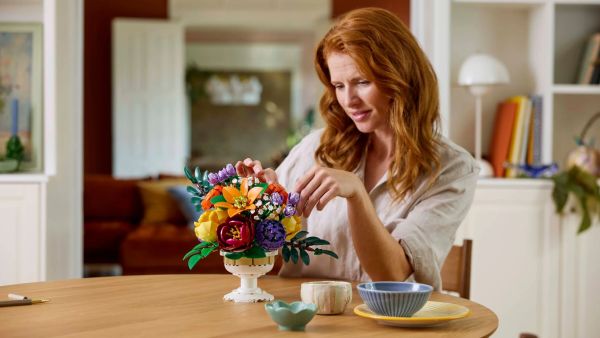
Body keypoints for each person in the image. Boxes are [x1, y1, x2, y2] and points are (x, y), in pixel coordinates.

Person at [235, 7, 478, 290]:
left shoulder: (452, 168)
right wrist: (264, 201)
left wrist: (357, 195)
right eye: (338, 85)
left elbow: (393, 274)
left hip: (390, 325)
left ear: (400, 78)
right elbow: (270, 242)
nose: (348, 100)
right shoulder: (315, 148)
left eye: (362, 82)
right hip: (306, 322)